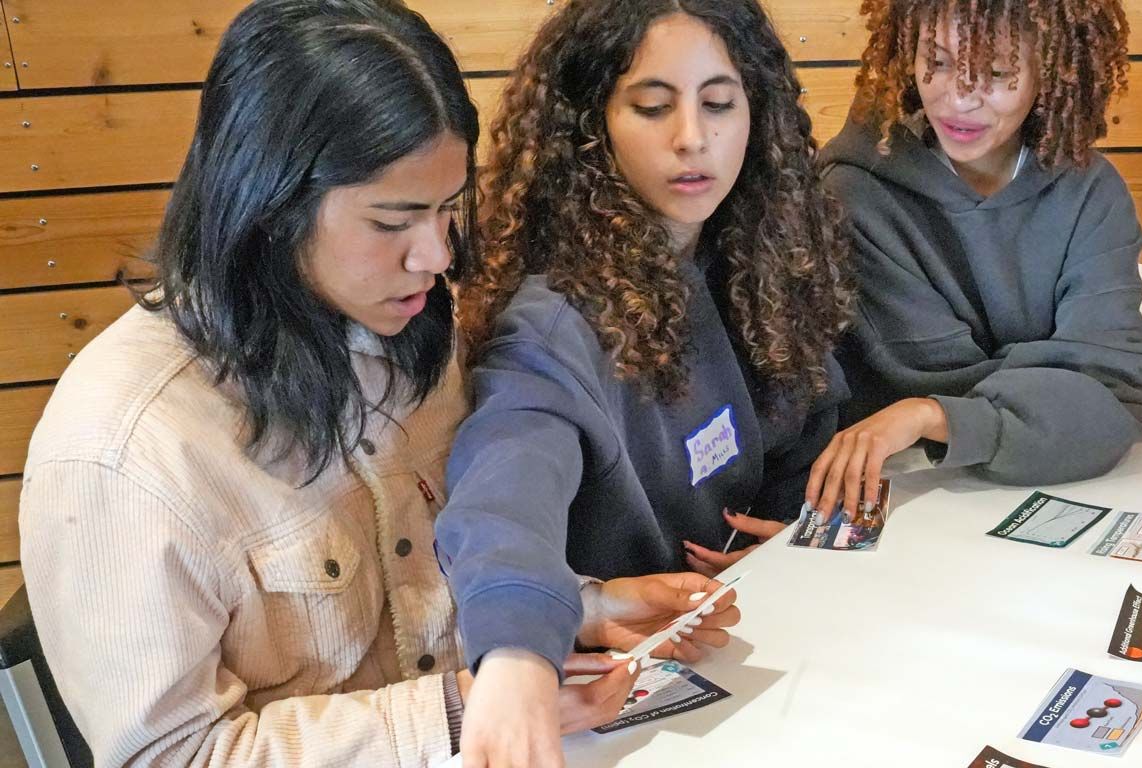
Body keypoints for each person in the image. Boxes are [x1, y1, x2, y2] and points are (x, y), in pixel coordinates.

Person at [16, 2, 734, 765]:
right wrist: (458, 709)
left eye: (447, 209)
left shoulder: (401, 326)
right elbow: (169, 755)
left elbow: (430, 584)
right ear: (268, 204)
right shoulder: (123, 447)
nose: (435, 254)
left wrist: (580, 608)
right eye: (393, 222)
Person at [432, 0, 843, 762]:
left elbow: (805, 428)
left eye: (719, 103)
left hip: (746, 644)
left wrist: (786, 528)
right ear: (590, 128)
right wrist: (517, 655)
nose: (693, 138)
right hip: (624, 697)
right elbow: (502, 487)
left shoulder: (754, 260)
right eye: (653, 107)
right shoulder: (553, 322)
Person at [807, 0, 1142, 517]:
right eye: (935, 60)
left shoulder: (1093, 192)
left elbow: (1117, 385)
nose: (958, 99)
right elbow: (942, 381)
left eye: (998, 73)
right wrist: (1127, 412)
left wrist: (1119, 406)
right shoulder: (854, 192)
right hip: (916, 494)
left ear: (1048, 71)